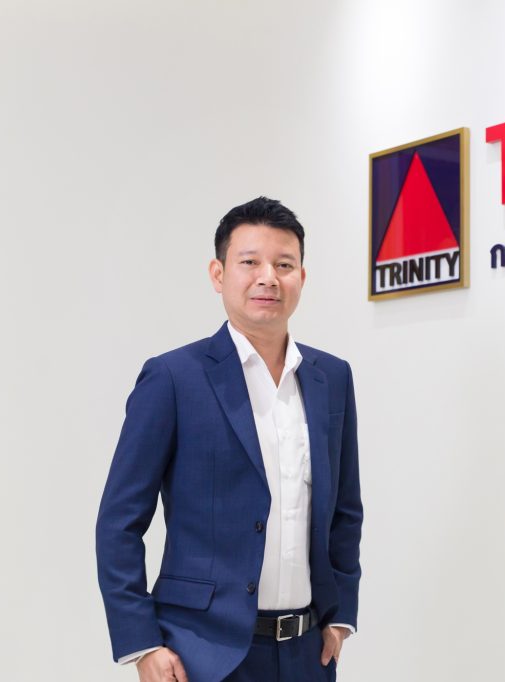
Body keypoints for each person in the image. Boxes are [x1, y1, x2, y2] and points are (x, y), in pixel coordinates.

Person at [96, 197, 362, 682]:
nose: (269, 278)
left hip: (307, 652)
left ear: (302, 277)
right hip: (201, 655)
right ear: (218, 274)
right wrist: (142, 643)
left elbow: (345, 508)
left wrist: (341, 614)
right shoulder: (173, 378)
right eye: (250, 262)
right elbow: (119, 522)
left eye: (284, 265)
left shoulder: (332, 377)